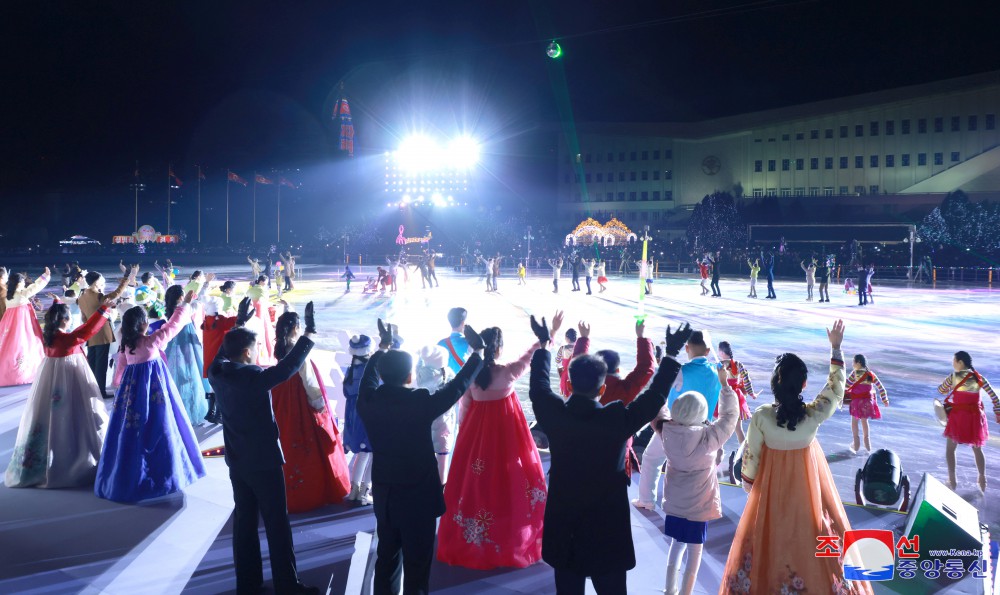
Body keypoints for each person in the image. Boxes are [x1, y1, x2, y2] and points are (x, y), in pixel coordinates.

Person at [528, 312, 692, 595]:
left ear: (568, 383)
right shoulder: (617, 421)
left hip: (564, 521)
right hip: (606, 526)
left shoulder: (555, 416)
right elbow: (654, 398)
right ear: (602, 389)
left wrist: (544, 344)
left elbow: (539, 388)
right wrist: (672, 353)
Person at [721, 320, 874, 594]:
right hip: (809, 489)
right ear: (803, 383)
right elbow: (836, 391)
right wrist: (836, 349)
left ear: (774, 384)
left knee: (769, 541)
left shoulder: (762, 417)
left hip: (771, 492)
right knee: (815, 532)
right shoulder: (811, 417)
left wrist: (750, 487)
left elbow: (751, 460)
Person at [358, 319, 485, 595]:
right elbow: (457, 387)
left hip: (386, 495)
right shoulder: (420, 402)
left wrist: (382, 348)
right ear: (409, 376)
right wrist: (477, 355)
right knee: (418, 566)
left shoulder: (368, 400)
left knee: (387, 559)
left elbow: (368, 377)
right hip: (418, 497)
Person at [208, 299, 320, 595]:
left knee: (244, 523)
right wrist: (308, 336)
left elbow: (223, 352)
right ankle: (287, 585)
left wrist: (238, 325)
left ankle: (248, 582)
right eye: (255, 349)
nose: (258, 353)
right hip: (264, 462)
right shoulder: (252, 377)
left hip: (237, 461)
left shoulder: (216, 372)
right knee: (277, 526)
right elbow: (286, 370)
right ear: (247, 352)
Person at [437, 325, 547, 570]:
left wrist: (467, 438)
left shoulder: (473, 376)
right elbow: (528, 359)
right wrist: (542, 340)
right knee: (509, 481)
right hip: (507, 437)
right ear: (498, 349)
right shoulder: (508, 372)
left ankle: (476, 535)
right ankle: (507, 534)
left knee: (478, 484)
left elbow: (464, 410)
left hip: (477, 437)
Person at [95, 290, 206, 503]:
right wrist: (185, 306)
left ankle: (126, 473)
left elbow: (120, 368)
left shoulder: (127, 345)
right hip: (156, 391)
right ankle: (163, 474)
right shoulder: (152, 342)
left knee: (131, 431)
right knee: (160, 426)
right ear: (143, 325)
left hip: (131, 393)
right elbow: (173, 326)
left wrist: (118, 385)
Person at [5, 298, 114, 488]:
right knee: (71, 415)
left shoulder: (49, 337)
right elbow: (87, 330)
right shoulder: (66, 339)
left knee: (48, 417)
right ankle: (71, 461)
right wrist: (103, 309)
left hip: (50, 381)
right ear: (64, 320)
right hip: (68, 380)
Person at [654, 366, 738, 595]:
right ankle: (685, 592)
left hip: (675, 505)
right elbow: (730, 417)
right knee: (695, 551)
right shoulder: (709, 439)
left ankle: (669, 589)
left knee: (676, 544)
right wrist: (726, 387)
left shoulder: (666, 432)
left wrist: (661, 378)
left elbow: (657, 408)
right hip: (698, 507)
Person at [271, 309, 351, 513]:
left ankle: (288, 490)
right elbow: (309, 382)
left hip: (284, 403)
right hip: (300, 404)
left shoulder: (280, 350)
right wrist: (320, 407)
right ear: (297, 328)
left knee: (288, 443)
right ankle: (311, 492)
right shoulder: (299, 353)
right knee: (311, 445)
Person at [635, 330, 721, 511]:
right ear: (707, 351)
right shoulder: (717, 373)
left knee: (651, 458)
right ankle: (702, 503)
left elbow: (657, 384)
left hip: (676, 428)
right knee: (701, 469)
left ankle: (647, 500)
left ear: (687, 348)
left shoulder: (681, 372)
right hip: (704, 429)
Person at [571, 319, 655, 478]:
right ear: (617, 369)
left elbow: (577, 367)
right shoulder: (624, 390)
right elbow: (646, 368)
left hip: (581, 452)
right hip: (616, 457)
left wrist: (583, 339)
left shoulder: (582, 386)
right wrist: (641, 337)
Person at [937, 351, 1000, 492]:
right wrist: (998, 413)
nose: (953, 363)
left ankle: (952, 480)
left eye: (954, 361)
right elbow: (995, 398)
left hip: (958, 417)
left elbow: (941, 390)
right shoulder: (979, 378)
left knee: (950, 450)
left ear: (960, 362)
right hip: (975, 418)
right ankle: (982, 478)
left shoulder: (954, 377)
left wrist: (949, 387)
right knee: (977, 449)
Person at [78, 268, 134, 395]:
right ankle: (101, 391)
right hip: (102, 332)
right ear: (96, 282)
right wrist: (126, 278)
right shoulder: (98, 296)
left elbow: (83, 318)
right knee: (101, 364)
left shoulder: (81, 297)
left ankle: (90, 388)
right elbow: (116, 293)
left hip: (90, 333)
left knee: (92, 362)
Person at [161, 284, 209, 426]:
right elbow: (199, 302)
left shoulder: (170, 311)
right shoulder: (186, 309)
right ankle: (192, 410)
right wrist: (205, 284)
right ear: (181, 296)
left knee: (176, 373)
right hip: (188, 343)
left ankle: (176, 408)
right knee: (193, 374)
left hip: (173, 344)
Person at [436, 308, 472, 475]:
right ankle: (459, 469)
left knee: (446, 431)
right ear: (463, 323)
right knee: (463, 430)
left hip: (445, 393)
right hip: (465, 392)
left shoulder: (440, 344)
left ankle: (447, 468)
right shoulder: (470, 343)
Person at [0, 268, 51, 387]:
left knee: (9, 349)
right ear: (19, 283)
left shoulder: (9, 296)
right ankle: (22, 375)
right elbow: (34, 287)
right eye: (23, 282)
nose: (24, 284)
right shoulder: (21, 294)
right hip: (21, 326)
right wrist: (45, 276)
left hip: (8, 326)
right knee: (26, 346)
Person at [343, 335, 375, 504]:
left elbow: (347, 392)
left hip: (353, 415)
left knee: (362, 454)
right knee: (372, 453)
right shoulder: (370, 368)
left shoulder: (351, 369)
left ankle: (354, 489)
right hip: (368, 413)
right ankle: (365, 490)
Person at [416, 345, 455, 482]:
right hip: (444, 422)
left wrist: (420, 357)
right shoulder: (448, 374)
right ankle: (441, 488)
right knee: (442, 458)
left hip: (422, 423)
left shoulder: (421, 374)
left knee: (422, 458)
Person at [845, 354, 889, 454]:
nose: (853, 364)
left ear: (859, 363)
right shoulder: (870, 374)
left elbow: (847, 385)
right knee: (864, 422)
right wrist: (885, 399)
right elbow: (880, 387)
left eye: (854, 362)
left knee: (854, 422)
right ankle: (867, 445)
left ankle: (856, 444)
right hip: (867, 403)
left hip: (856, 402)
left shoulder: (854, 374)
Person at [717, 341, 756, 445]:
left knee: (720, 427)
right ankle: (744, 453)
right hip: (737, 397)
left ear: (721, 352)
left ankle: (717, 453)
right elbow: (746, 380)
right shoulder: (738, 364)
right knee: (739, 429)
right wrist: (752, 394)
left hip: (725, 396)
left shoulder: (720, 365)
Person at [555, 327, 579, 398]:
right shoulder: (578, 349)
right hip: (575, 375)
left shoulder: (562, 348)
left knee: (565, 396)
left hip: (565, 375)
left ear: (568, 338)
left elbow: (557, 360)